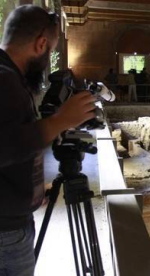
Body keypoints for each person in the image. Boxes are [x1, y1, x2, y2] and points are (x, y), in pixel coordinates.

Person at [0, 5, 96, 276]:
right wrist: (60, 121)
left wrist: (29, 190)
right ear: (41, 44)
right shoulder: (4, 79)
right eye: (51, 50)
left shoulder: (9, 76)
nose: (49, 58)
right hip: (6, 232)